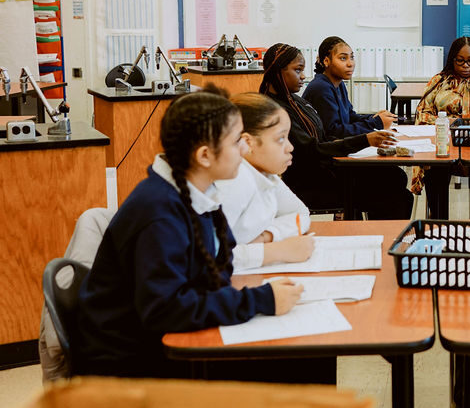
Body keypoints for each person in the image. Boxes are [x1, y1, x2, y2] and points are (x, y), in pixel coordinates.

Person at [75, 88, 304, 378]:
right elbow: (166, 310)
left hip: (157, 340)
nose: (246, 149)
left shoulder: (200, 193)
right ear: (205, 155)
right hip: (128, 361)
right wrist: (260, 300)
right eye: (237, 142)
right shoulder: (159, 214)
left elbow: (215, 269)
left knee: (284, 364)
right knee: (281, 373)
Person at [259, 43, 412, 219]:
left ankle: (376, 237)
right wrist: (365, 140)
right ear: (277, 71)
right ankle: (382, 241)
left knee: (395, 177)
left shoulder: (294, 100)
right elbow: (313, 149)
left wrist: (366, 134)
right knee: (396, 193)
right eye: (297, 70)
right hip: (311, 181)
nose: (303, 76)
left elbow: (325, 135)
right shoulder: (275, 110)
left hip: (325, 169)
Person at [218, 92, 314, 271]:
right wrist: (276, 251)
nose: (290, 147)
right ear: (248, 142)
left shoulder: (264, 174)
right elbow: (211, 257)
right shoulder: (234, 181)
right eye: (280, 139)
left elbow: (301, 213)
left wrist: (267, 236)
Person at [413, 36, 470, 218]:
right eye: (461, 61)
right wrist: (445, 122)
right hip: (443, 147)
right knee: (435, 170)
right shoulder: (439, 82)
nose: (466, 66)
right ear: (452, 60)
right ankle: (439, 225)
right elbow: (422, 114)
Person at [302, 35, 397, 139]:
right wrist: (376, 123)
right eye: (343, 58)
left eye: (351, 57)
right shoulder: (321, 88)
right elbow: (333, 132)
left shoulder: (339, 83)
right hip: (327, 152)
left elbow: (350, 116)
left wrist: (374, 117)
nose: (350, 63)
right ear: (326, 61)